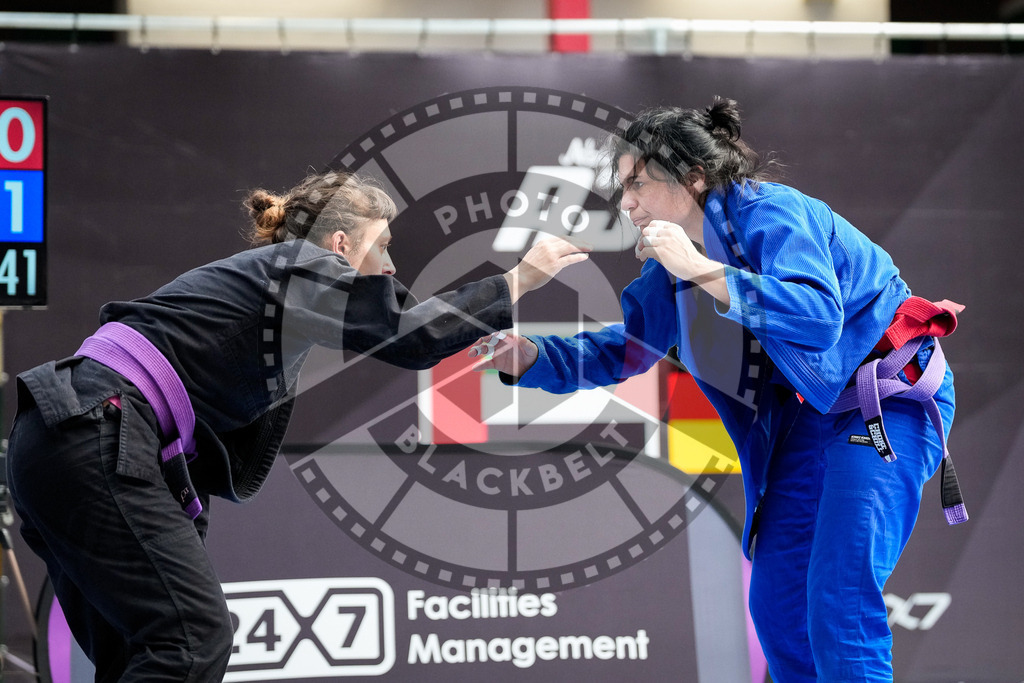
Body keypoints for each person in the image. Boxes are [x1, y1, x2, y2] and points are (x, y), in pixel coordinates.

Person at [5, 169, 589, 682]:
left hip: (54, 438)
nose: (391, 267)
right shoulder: (304, 266)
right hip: (92, 430)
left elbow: (404, 321)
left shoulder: (275, 304)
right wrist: (515, 282)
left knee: (147, 651)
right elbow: (409, 333)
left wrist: (463, 326)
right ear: (340, 246)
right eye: (383, 247)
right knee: (191, 641)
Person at [470, 97, 964, 682]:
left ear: (694, 178)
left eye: (638, 184)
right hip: (812, 419)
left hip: (887, 399)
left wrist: (702, 270)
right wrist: (530, 358)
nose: (625, 203)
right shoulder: (669, 271)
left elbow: (816, 317)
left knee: (839, 597)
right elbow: (627, 348)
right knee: (778, 609)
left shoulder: (773, 212)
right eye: (621, 188)